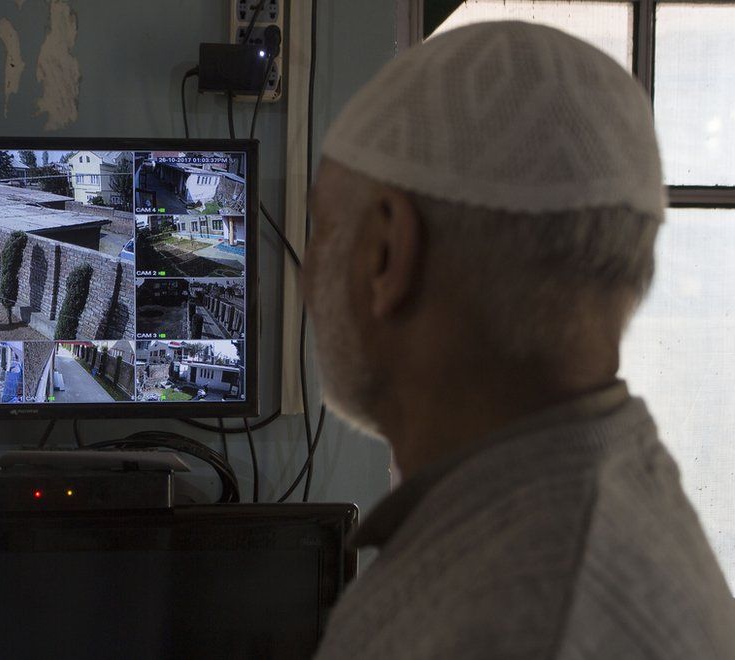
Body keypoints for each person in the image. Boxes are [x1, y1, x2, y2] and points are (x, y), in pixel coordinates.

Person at [306, 21, 735, 660]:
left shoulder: (526, 621)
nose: (308, 268)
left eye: (321, 228)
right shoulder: (582, 522)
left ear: (388, 253)